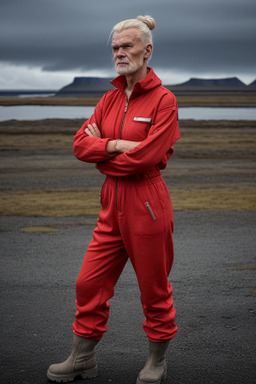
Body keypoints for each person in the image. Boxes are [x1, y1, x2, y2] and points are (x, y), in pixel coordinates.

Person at [47, 15, 181, 384]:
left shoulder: (164, 101)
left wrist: (102, 154)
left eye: (127, 46)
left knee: (154, 288)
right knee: (88, 283)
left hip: (148, 202)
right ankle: (81, 358)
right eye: (115, 48)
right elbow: (79, 145)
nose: (120, 53)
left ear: (147, 50)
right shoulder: (107, 99)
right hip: (111, 203)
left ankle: (156, 361)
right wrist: (117, 144)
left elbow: (148, 157)